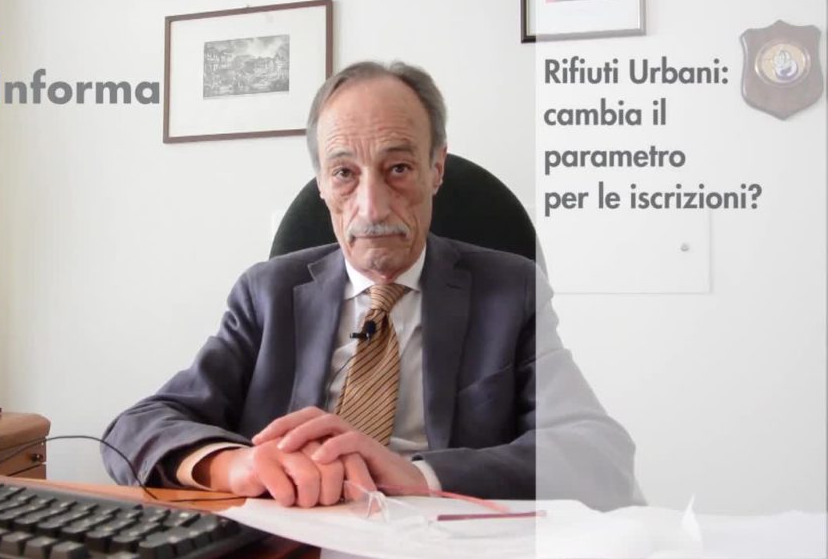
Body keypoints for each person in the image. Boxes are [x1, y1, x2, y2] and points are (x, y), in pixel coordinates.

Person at [102, 60, 642, 510]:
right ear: (322, 183)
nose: (372, 207)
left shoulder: (510, 291)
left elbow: (599, 454)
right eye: (344, 173)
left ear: (436, 168)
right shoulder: (267, 294)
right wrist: (235, 465)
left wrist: (419, 475)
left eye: (398, 168)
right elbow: (137, 427)